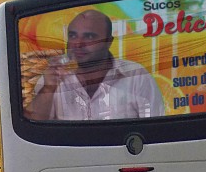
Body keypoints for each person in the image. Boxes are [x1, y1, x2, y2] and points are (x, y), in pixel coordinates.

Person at [25, 9, 164, 120]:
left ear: (108, 42)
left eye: (89, 36)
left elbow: (156, 131)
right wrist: (48, 89)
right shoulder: (53, 79)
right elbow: (34, 128)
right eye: (73, 36)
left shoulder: (136, 76)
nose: (78, 44)